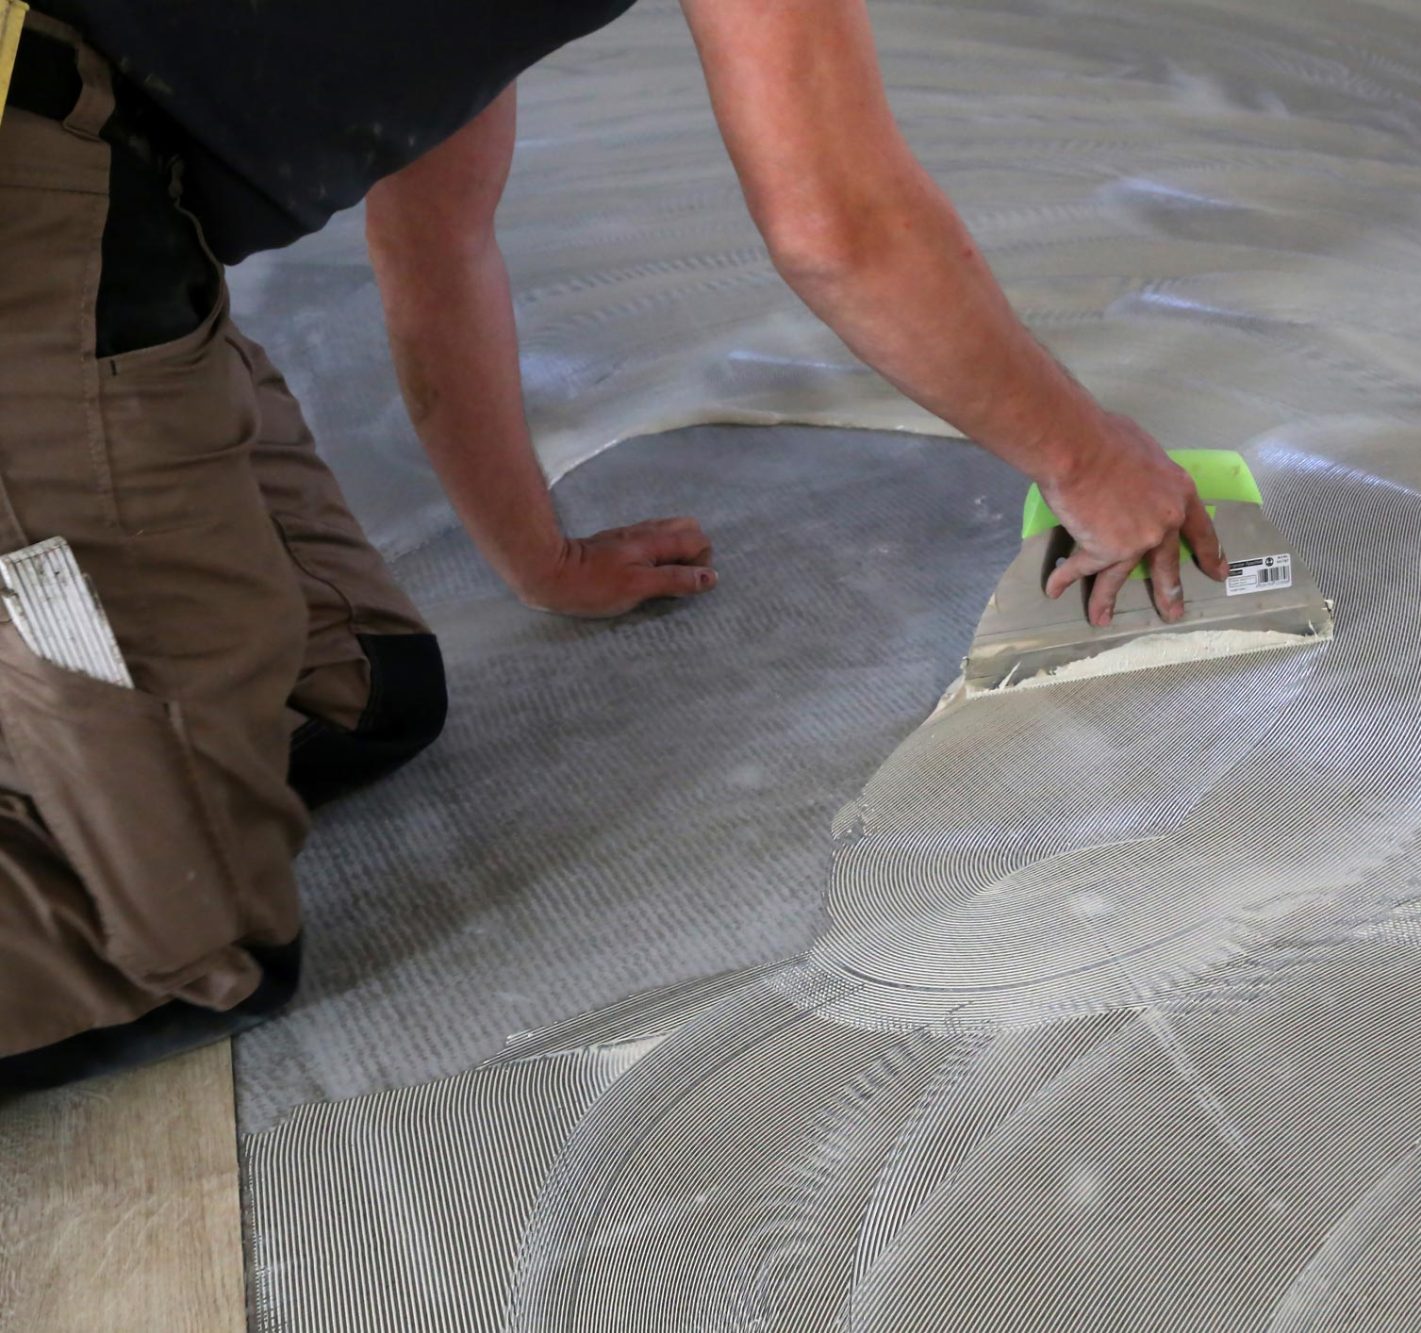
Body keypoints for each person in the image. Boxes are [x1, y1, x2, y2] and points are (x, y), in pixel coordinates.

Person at [0, 0, 1225, 1089]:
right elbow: (839, 224)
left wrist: (540, 553)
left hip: (114, 201)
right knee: (173, 946)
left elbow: (434, 239)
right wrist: (1086, 459)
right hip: (28, 167)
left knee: (356, 688)